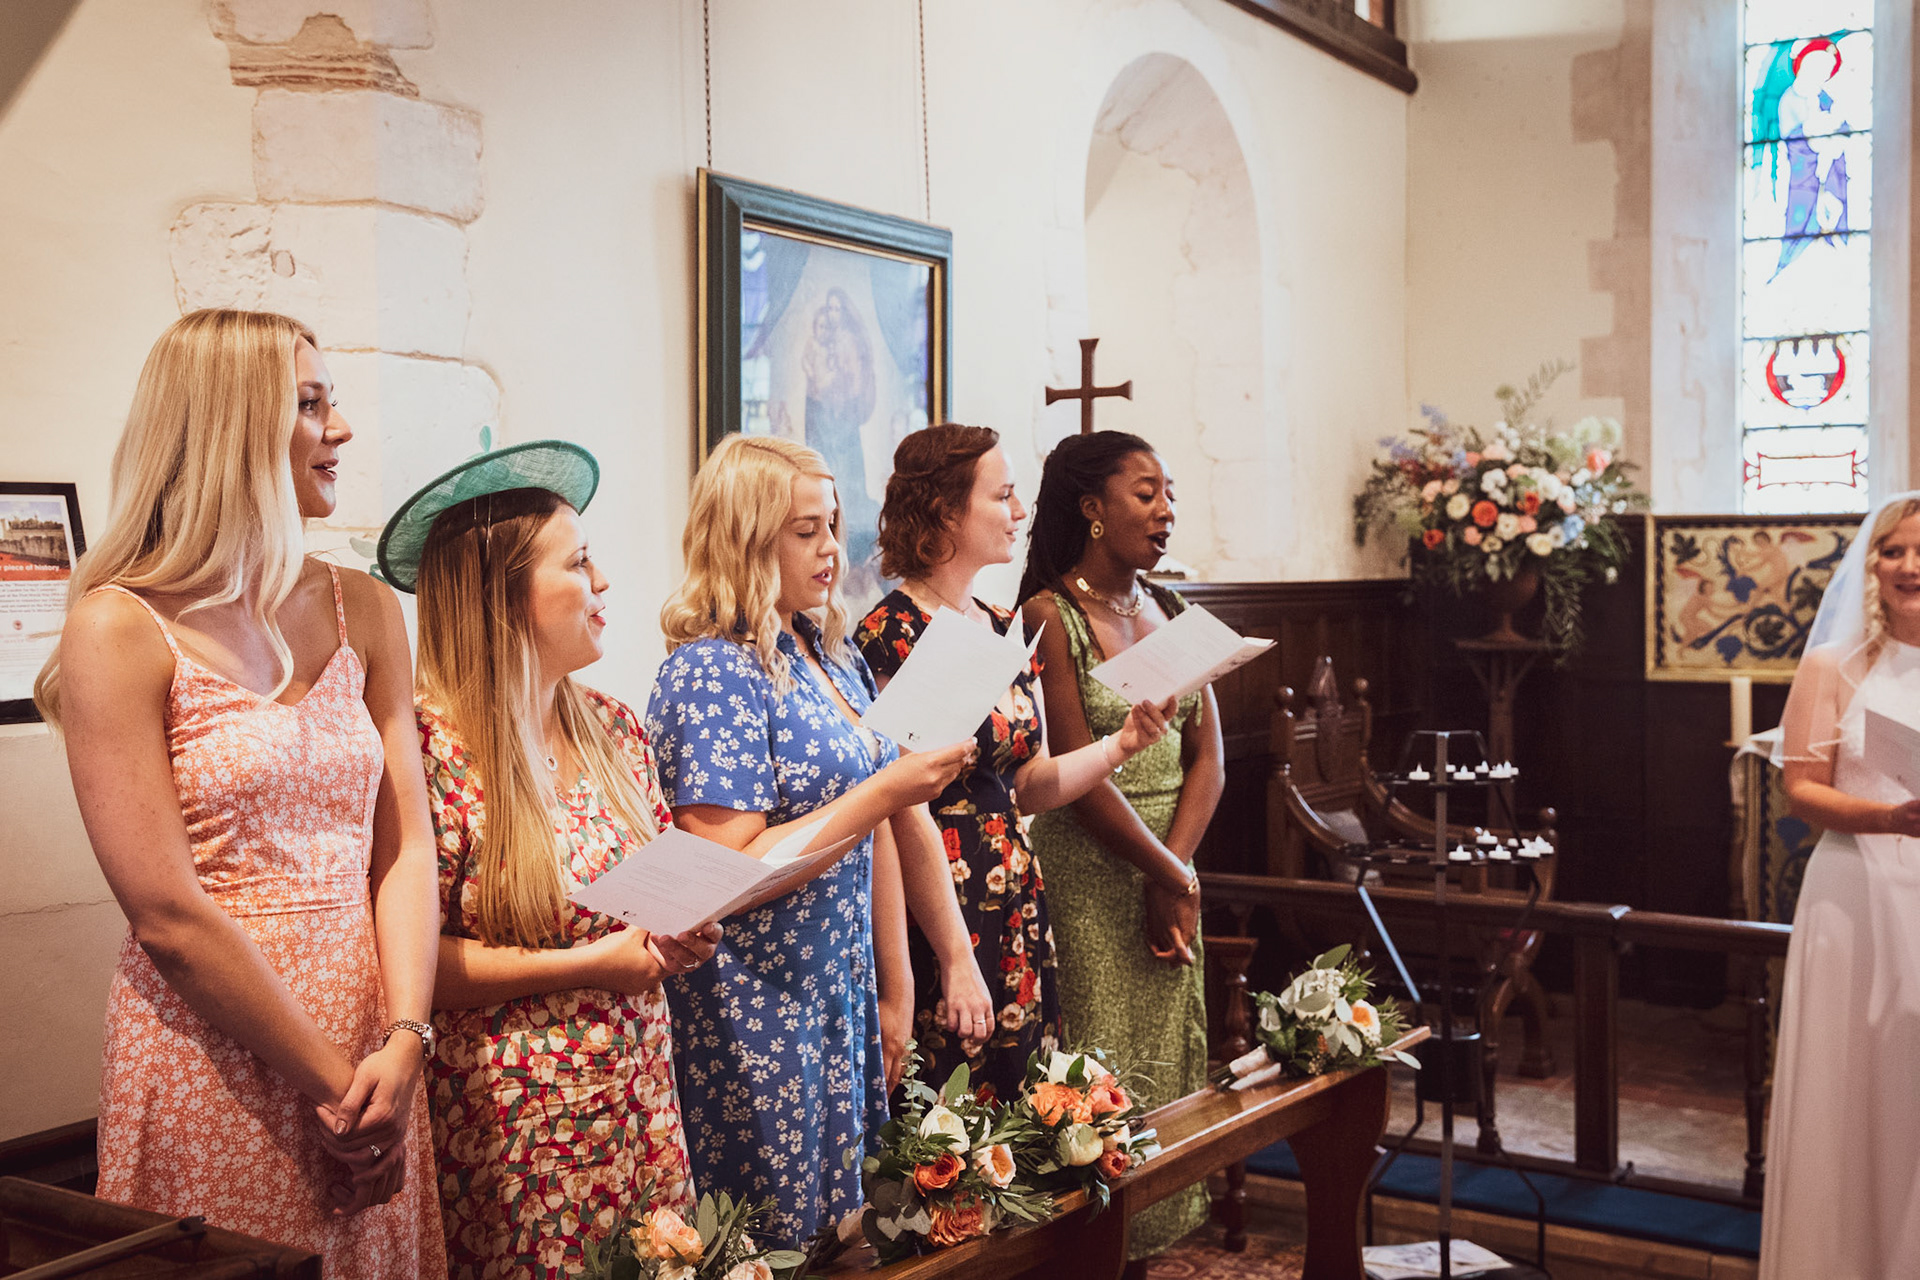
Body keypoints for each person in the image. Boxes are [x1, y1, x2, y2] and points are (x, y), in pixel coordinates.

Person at [35, 309, 446, 1276]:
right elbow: (168, 915)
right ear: (229, 427)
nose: (340, 428)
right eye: (310, 404)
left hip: (375, 1043)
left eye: (331, 401)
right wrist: (337, 1087)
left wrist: (404, 1042)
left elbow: (405, 847)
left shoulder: (363, 606)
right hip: (218, 1054)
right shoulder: (120, 627)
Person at [375, 443, 721, 1278]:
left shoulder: (614, 726)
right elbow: (407, 965)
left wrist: (682, 932)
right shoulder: (425, 750)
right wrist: (588, 965)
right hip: (515, 1135)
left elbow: (653, 898)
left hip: (640, 1105)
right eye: (579, 563)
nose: (604, 582)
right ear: (501, 593)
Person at [645, 433, 973, 1246]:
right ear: (747, 538)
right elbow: (724, 870)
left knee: (846, 1232)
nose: (831, 548)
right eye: (805, 530)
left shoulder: (826, 649)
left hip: (836, 986)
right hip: (755, 1004)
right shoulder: (712, 671)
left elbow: (879, 832)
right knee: (776, 1240)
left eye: (833, 525)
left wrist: (897, 986)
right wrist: (886, 790)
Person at [855, 423, 1173, 1101]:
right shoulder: (891, 633)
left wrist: (1120, 746)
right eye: (1002, 496)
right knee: (952, 1109)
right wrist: (954, 955)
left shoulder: (1004, 625)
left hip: (1016, 895)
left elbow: (1029, 784)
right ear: (946, 512)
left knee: (1028, 1108)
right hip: (941, 902)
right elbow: (903, 804)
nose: (1020, 512)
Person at [1017, 430, 1224, 1265]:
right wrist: (1167, 872)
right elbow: (1077, 770)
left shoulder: (1172, 610)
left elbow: (1208, 760)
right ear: (1093, 510)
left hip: (1175, 861)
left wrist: (1177, 873)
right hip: (1092, 870)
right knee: (1098, 1075)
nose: (1166, 511)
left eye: (1169, 493)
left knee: (1166, 1073)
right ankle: (1092, 1255)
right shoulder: (1050, 615)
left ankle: (1149, 1248)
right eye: (1147, 493)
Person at [1760, 492, 1920, 1278]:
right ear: (1872, 563)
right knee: (1852, 1081)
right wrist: (1891, 818)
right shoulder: (1833, 665)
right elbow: (1801, 790)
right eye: (1894, 551)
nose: (1910, 566)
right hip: (1855, 888)